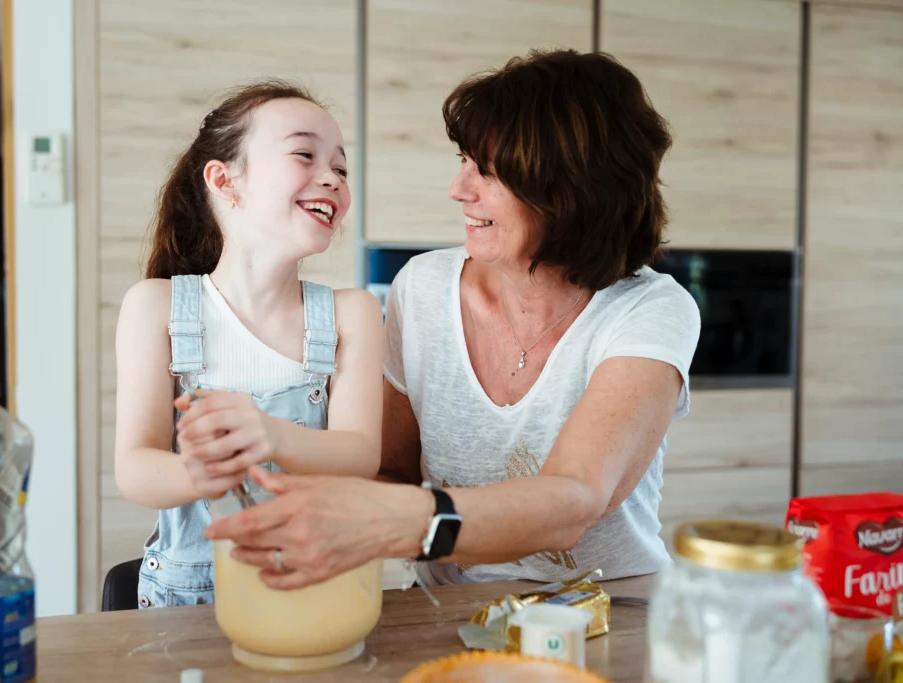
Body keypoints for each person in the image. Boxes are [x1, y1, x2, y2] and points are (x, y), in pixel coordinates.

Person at [203, 49, 702, 591]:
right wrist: (294, 482)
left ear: (572, 188)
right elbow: (392, 471)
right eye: (463, 160)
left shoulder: (649, 308)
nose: (459, 189)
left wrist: (387, 521)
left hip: (607, 608)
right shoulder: (423, 287)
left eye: (487, 171)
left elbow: (574, 501)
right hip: (449, 610)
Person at [113, 81, 385, 607]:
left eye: (341, 167)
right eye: (305, 154)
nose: (332, 177)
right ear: (224, 180)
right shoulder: (155, 306)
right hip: (185, 607)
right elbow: (136, 469)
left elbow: (359, 456)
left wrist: (267, 435)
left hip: (317, 593)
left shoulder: (353, 313)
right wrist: (202, 470)